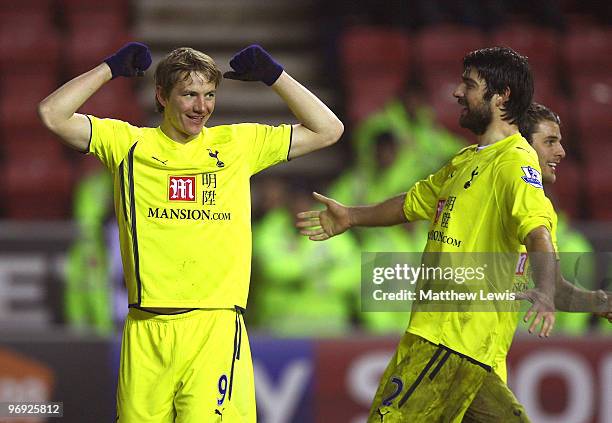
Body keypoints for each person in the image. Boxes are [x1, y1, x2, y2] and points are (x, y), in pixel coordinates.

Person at [38, 42, 343, 422]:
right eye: (189, 95)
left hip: (213, 330)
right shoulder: (129, 145)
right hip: (146, 331)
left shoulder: (237, 145)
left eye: (209, 95)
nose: (202, 107)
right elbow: (52, 114)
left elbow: (329, 129)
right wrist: (109, 69)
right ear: (162, 96)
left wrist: (274, 76)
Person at [297, 47, 559, 421]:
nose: (456, 92)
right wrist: (352, 216)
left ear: (502, 96)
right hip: (466, 351)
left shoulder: (514, 163)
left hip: (448, 342)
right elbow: (413, 202)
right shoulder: (467, 159)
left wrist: (546, 293)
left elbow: (537, 232)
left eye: (468, 84)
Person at [462, 102, 611, 422]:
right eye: (550, 142)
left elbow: (554, 290)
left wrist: (600, 302)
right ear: (521, 146)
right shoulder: (490, 190)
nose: (561, 152)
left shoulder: (539, 211)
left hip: (487, 361)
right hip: (455, 353)